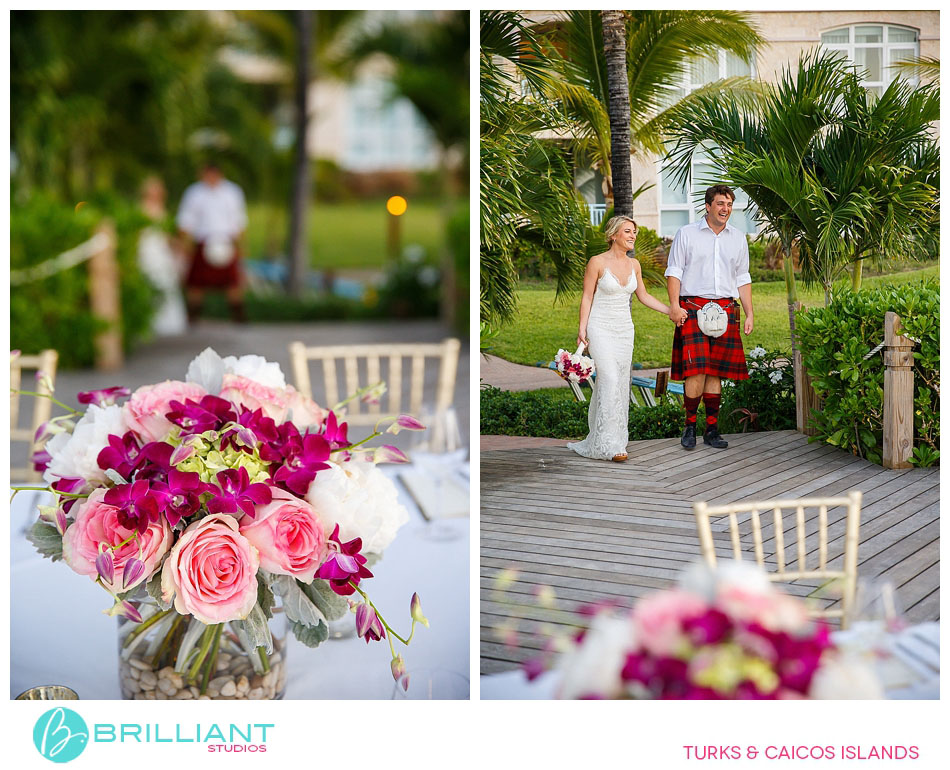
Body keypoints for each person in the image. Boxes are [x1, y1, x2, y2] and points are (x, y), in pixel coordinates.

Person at [568, 216, 671, 462]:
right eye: (628, 231)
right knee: (610, 379)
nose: (633, 235)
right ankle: (606, 443)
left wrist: (670, 311)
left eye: (634, 232)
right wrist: (582, 329)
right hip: (600, 327)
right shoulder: (597, 262)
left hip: (625, 331)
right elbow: (587, 297)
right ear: (613, 235)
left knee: (621, 382)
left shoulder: (635, 264)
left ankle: (614, 440)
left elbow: (644, 296)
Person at [665, 184, 754, 451]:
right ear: (707, 206)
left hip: (726, 309)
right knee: (697, 371)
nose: (725, 209)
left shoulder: (738, 238)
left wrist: (749, 312)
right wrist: (673, 306)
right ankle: (689, 426)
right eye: (720, 204)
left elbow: (742, 278)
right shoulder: (687, 234)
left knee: (716, 371)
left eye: (729, 205)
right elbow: (674, 272)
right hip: (692, 308)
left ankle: (712, 430)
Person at [176, 161, 249, 323]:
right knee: (196, 283)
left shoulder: (232, 192)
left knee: (233, 283)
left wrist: (241, 246)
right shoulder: (194, 192)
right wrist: (185, 243)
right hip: (204, 241)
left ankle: (239, 316)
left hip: (226, 241)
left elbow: (239, 220)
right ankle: (193, 316)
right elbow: (186, 220)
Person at [137, 176, 188, 336]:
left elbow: (166, 235)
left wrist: (177, 247)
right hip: (147, 250)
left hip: (160, 251)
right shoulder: (141, 209)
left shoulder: (162, 209)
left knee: (165, 283)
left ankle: (166, 323)